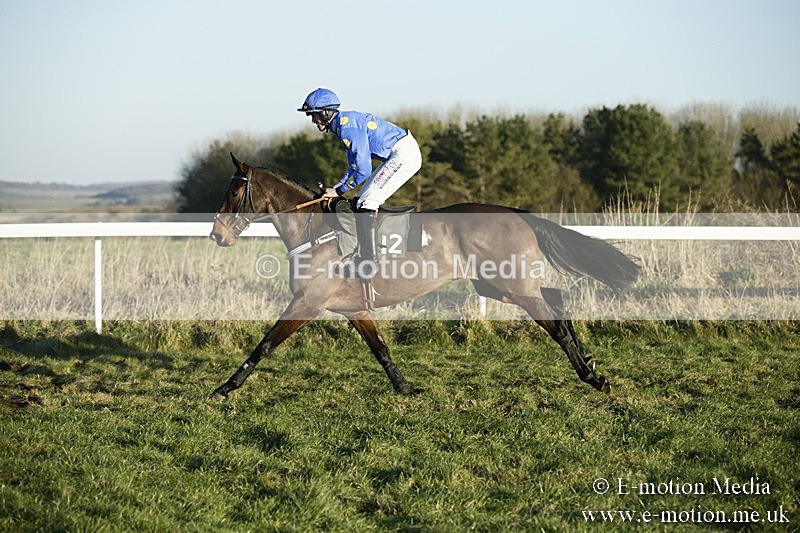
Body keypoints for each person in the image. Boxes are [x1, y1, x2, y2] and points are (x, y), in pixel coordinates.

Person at [297, 88, 422, 273]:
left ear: (325, 112)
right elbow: (354, 167)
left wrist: (339, 191)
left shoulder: (347, 127)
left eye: (314, 115)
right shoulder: (343, 125)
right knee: (360, 200)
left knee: (367, 201)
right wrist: (337, 188)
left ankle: (369, 264)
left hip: (404, 154)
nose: (313, 121)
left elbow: (363, 171)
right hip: (398, 153)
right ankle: (361, 254)